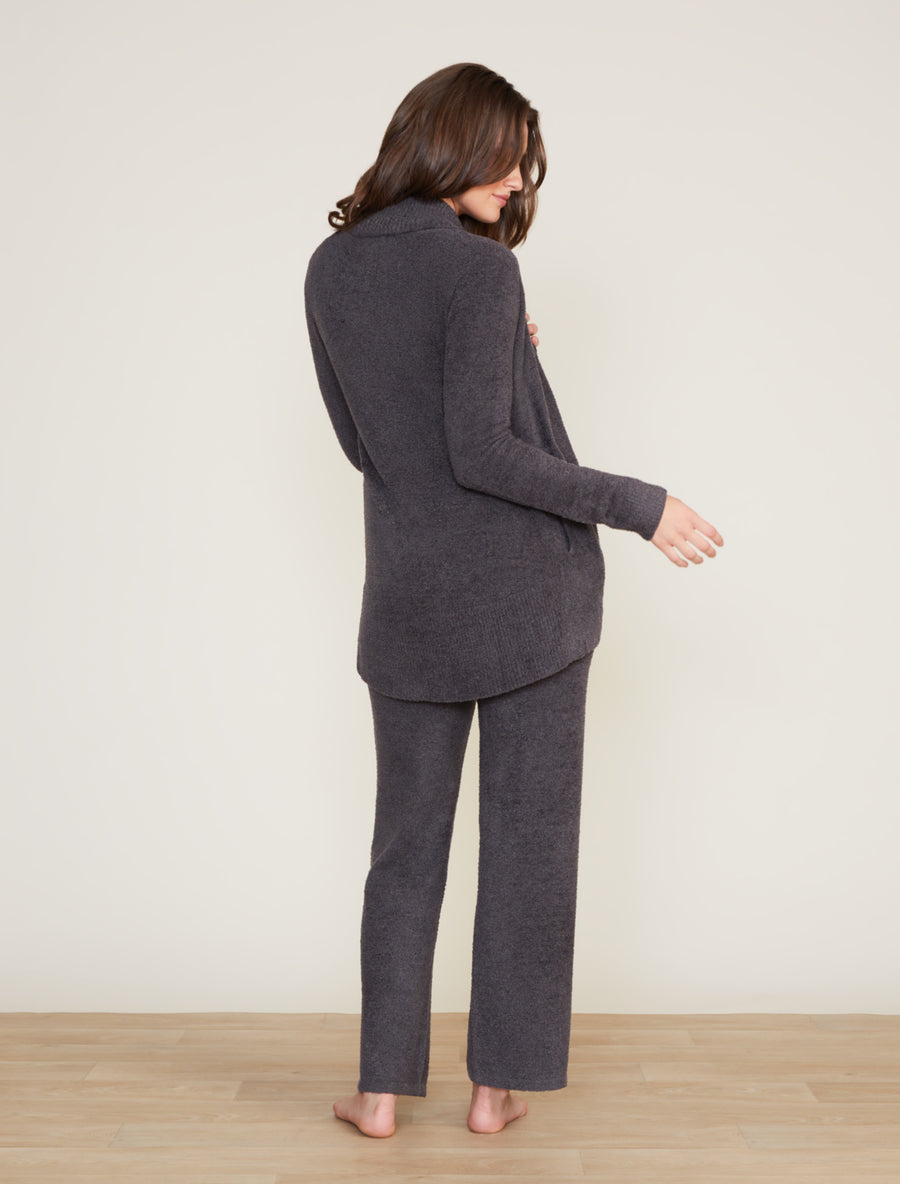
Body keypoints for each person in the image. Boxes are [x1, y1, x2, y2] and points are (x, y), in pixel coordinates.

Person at [304, 62, 723, 1139]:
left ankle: (381, 1093)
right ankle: (496, 1091)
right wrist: (642, 504)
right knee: (528, 849)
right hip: (531, 604)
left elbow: (366, 444)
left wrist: (504, 366)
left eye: (528, 162)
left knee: (404, 853)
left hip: (409, 605)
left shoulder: (330, 267)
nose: (519, 178)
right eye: (505, 155)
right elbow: (483, 454)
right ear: (447, 139)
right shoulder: (483, 272)